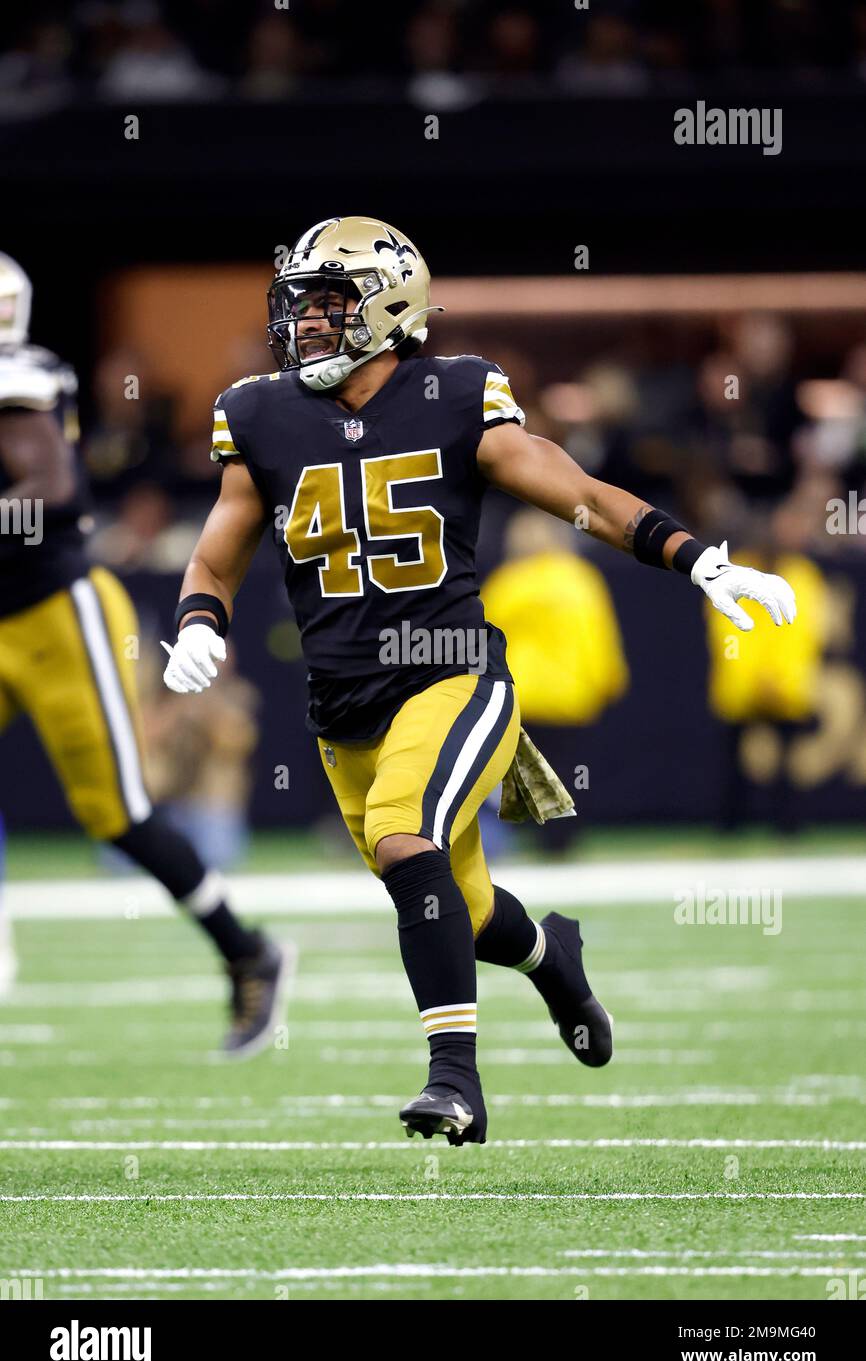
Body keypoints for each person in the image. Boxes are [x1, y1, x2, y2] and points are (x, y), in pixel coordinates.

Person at [162, 216, 796, 1144]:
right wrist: (194, 625)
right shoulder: (261, 414)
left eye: (327, 304)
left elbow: (577, 492)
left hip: (453, 674)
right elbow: (216, 557)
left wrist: (697, 560)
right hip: (344, 707)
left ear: (388, 308)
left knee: (401, 837)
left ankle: (454, 1081)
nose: (304, 324)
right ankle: (553, 961)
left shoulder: (454, 396)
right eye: (298, 305)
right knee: (459, 903)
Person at [0, 252, 285, 1056]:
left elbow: (48, 492)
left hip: (53, 615)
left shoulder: (21, 377)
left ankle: (247, 950)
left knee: (116, 812)